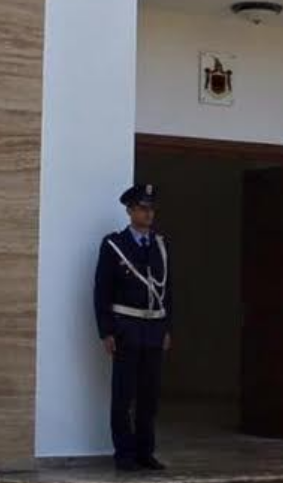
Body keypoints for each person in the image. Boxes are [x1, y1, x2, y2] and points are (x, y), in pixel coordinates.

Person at [93, 183, 173, 472]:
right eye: (142, 208)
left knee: (149, 398)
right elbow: (102, 290)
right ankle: (124, 454)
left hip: (153, 331)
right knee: (124, 396)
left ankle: (145, 452)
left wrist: (167, 327)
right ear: (129, 211)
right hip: (126, 328)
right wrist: (106, 331)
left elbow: (169, 291)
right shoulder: (114, 245)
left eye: (151, 209)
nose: (148, 214)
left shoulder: (161, 245)